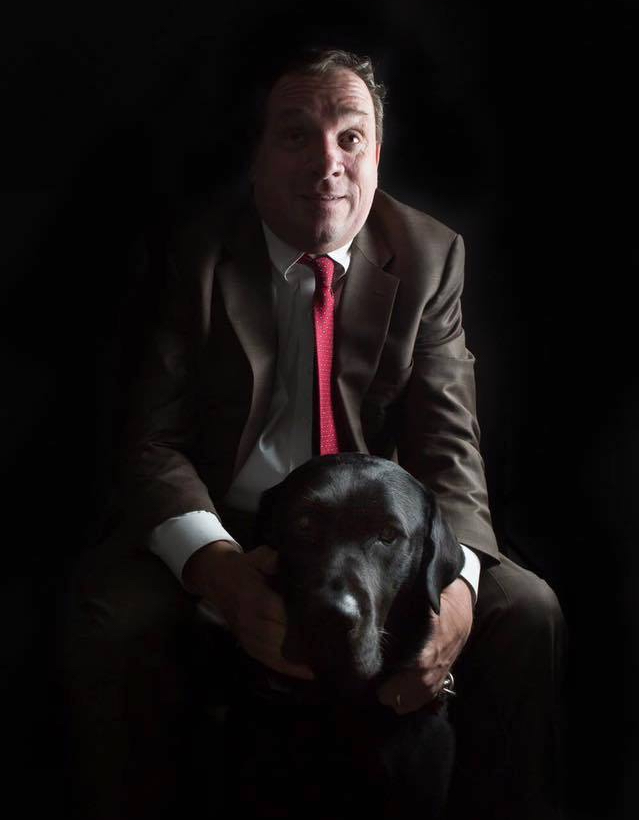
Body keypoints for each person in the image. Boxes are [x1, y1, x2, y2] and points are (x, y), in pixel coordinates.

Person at [59, 47, 567, 820]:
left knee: (527, 610)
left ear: (377, 151)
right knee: (108, 623)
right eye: (296, 135)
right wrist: (219, 572)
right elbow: (150, 444)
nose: (328, 162)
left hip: (379, 531)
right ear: (257, 155)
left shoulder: (430, 256)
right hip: (232, 519)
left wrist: (457, 596)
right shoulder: (193, 253)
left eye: (350, 136)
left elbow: (449, 453)